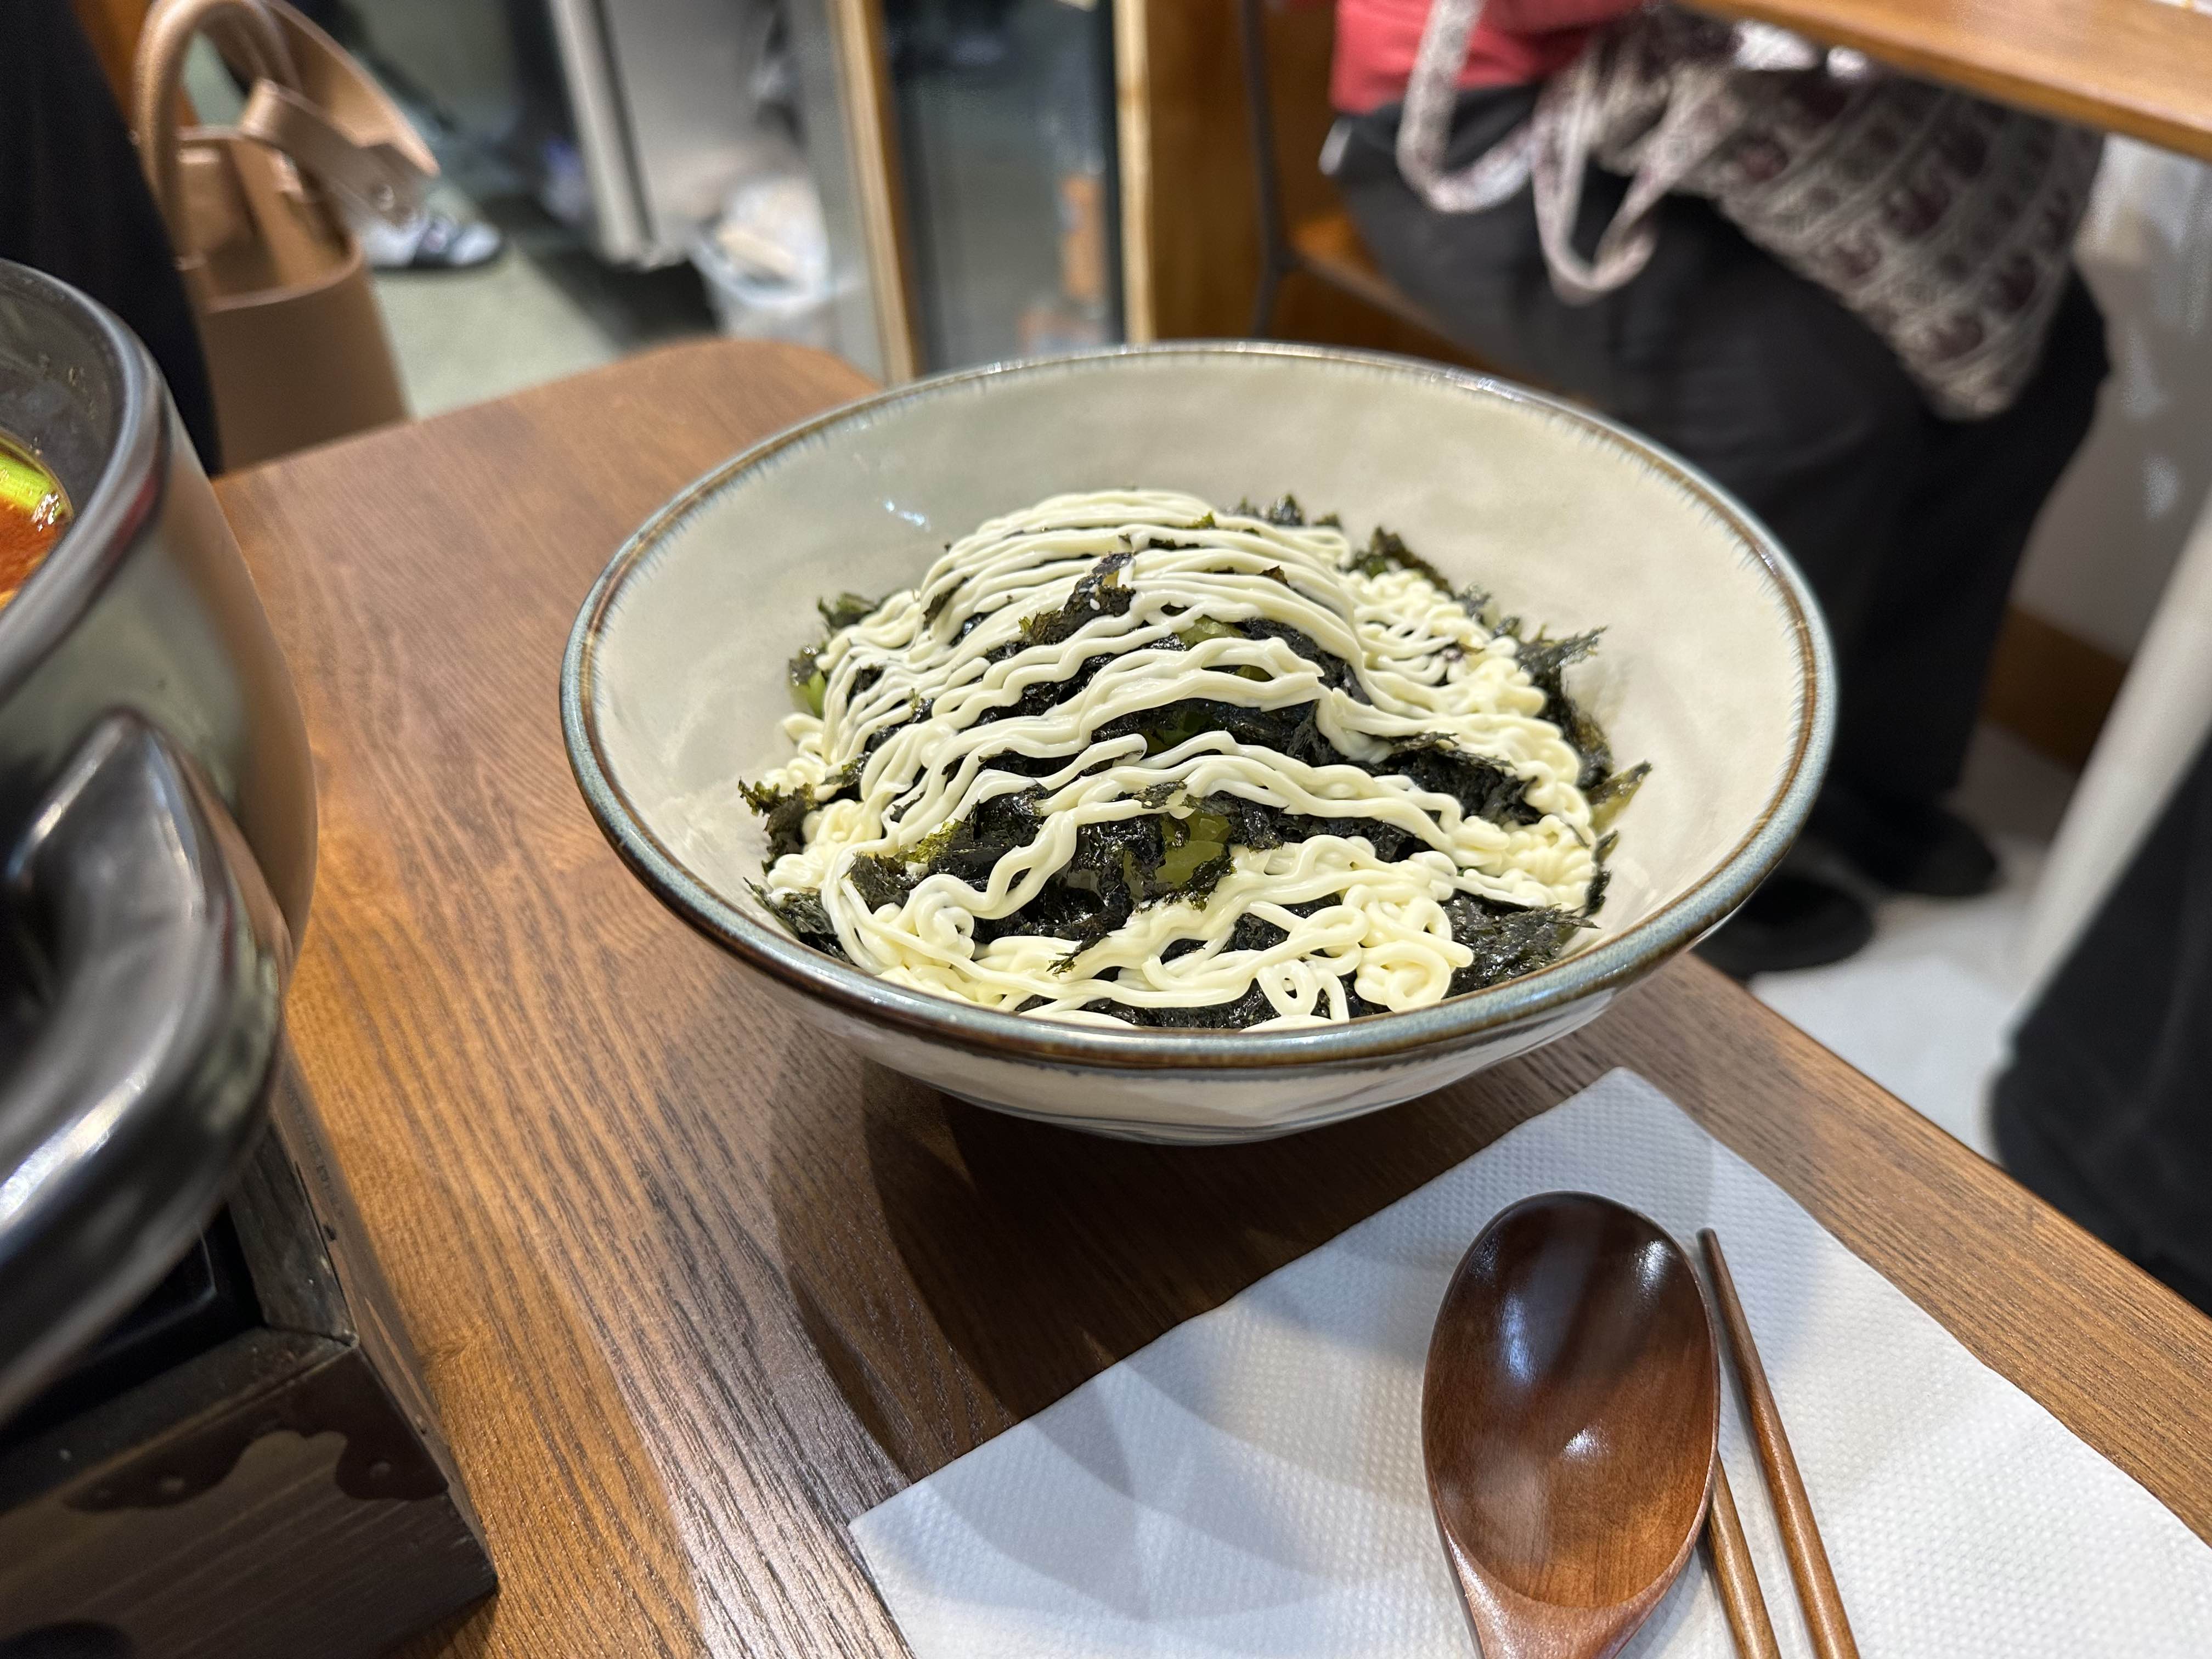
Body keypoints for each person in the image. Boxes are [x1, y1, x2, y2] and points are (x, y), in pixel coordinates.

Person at [1322, 0, 2111, 975]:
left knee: (2044, 355)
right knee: (1800, 398)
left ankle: (1860, 771)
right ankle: (1684, 845)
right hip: (1487, 113)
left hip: (1774, 101)